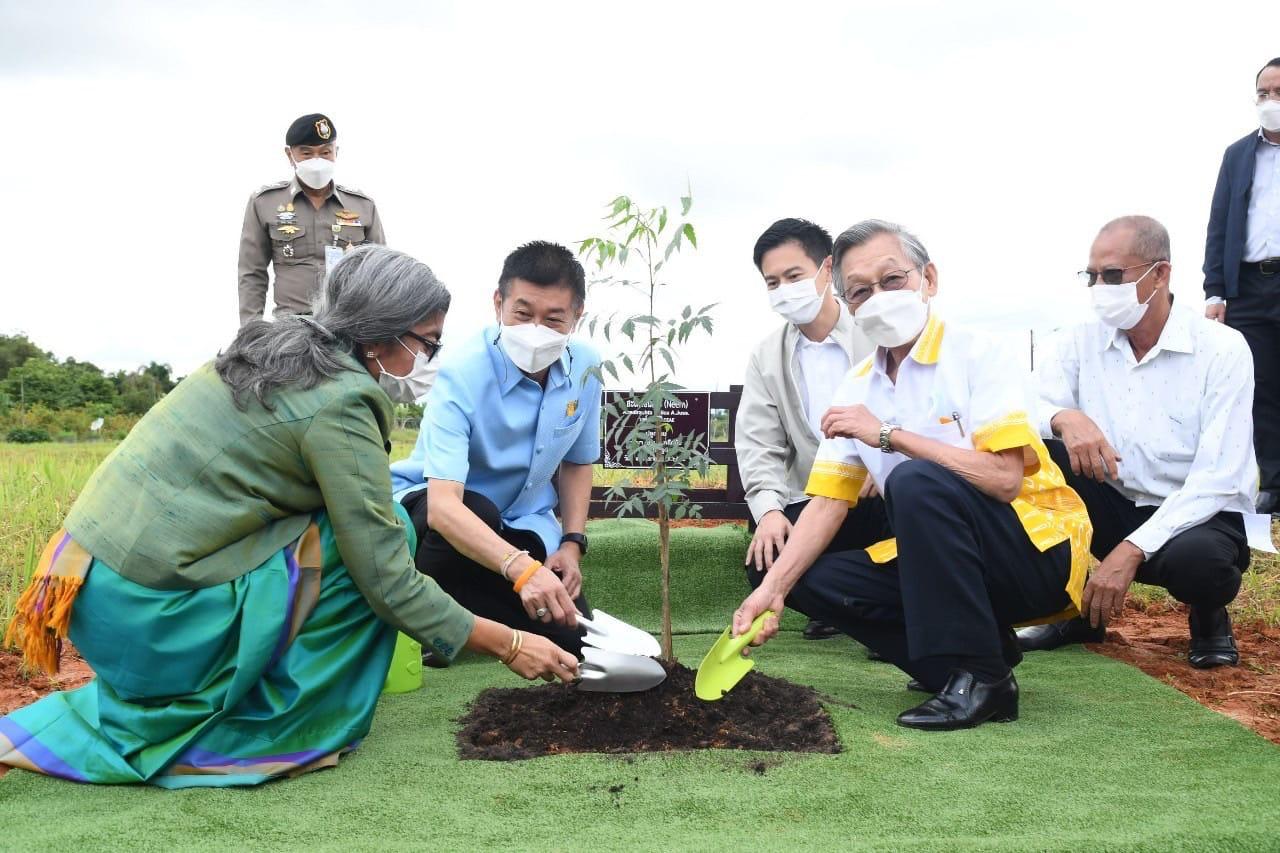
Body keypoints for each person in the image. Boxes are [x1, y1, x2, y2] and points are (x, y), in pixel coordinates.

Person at [1, 246, 578, 788]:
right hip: (149, 620)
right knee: (385, 539)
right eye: (426, 343)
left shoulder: (272, 349)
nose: (429, 359)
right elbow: (386, 580)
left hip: (83, 587)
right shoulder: (344, 400)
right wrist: (507, 643)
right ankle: (279, 725)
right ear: (379, 337)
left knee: (355, 528)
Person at [730, 220, 1092, 731]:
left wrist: (888, 435)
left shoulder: (977, 354)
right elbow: (829, 504)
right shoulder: (857, 385)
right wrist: (773, 590)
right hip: (940, 561)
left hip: (1034, 552)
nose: (877, 297)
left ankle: (983, 678)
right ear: (850, 305)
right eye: (860, 291)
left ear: (929, 279)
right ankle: (961, 663)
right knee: (806, 574)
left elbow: (1004, 479)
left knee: (913, 480)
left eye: (892, 280)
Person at [1018, 216, 1255, 668]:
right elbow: (1025, 406)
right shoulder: (1080, 341)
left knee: (1202, 564)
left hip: (1192, 516)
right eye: (1092, 277)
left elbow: (1219, 477)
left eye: (1112, 276)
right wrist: (1063, 416)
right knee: (1033, 459)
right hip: (1110, 496)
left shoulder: (1222, 348)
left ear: (1160, 273)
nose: (1099, 288)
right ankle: (1071, 607)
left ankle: (1208, 614)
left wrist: (1130, 550)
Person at [391, 241, 602, 657]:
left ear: (577, 316)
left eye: (554, 319)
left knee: (575, 637)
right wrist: (523, 572)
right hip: (436, 518)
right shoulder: (461, 371)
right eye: (522, 314)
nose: (535, 330)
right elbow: (444, 508)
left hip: (523, 527)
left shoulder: (587, 368)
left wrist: (571, 544)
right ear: (498, 304)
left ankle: (474, 616)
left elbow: (578, 462)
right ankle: (435, 624)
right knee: (477, 511)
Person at [737, 218, 876, 642]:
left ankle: (880, 615)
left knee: (909, 518)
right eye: (772, 282)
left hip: (882, 495)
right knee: (763, 560)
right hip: (815, 498)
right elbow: (759, 443)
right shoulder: (767, 356)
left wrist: (885, 462)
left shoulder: (877, 333)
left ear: (827, 269)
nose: (784, 290)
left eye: (793, 276)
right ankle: (851, 610)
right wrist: (770, 511)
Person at [1204, 58, 1280, 514]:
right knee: (1260, 384)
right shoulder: (1237, 155)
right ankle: (1273, 480)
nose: (1271, 101)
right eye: (1263, 93)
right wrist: (1216, 290)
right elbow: (1219, 224)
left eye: (1279, 91)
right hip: (1249, 286)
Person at [238, 113, 386, 326]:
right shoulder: (264, 203)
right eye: (307, 153)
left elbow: (381, 272)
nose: (317, 161)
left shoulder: (363, 206)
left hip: (348, 326)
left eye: (325, 152)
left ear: (337, 152)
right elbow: (252, 273)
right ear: (290, 155)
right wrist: (251, 331)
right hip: (291, 330)